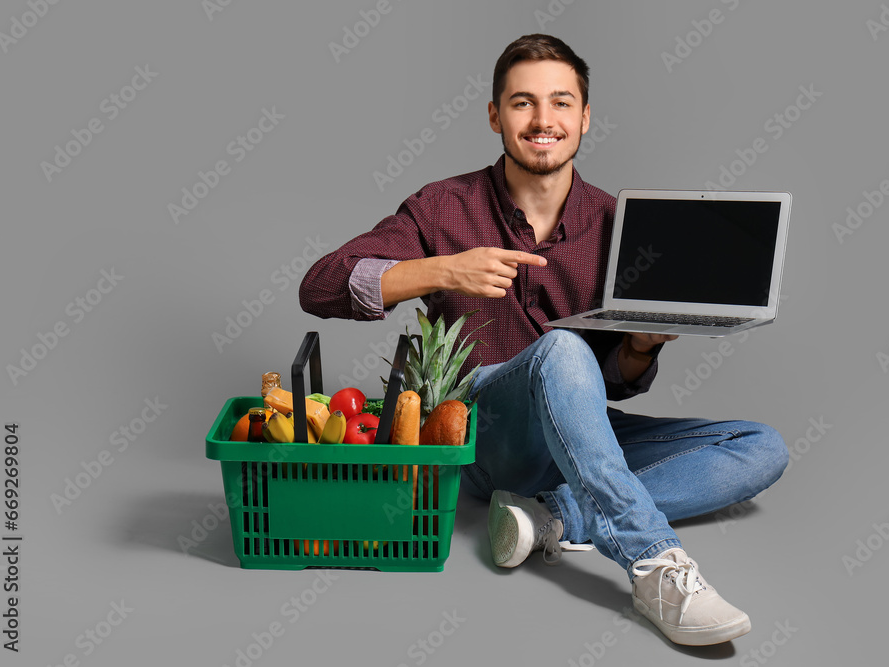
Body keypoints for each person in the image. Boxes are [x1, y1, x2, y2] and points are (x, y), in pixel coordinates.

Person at [299, 33, 788, 646]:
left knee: (760, 446)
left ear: (584, 117)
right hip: (482, 434)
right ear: (495, 115)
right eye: (523, 102)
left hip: (574, 440)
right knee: (562, 348)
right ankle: (656, 565)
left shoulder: (617, 223)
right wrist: (443, 269)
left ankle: (549, 516)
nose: (542, 120)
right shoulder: (442, 207)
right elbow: (320, 286)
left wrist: (641, 348)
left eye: (561, 102)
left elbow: (606, 383)